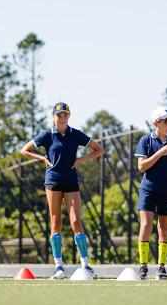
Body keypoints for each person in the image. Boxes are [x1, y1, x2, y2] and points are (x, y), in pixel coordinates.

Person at [20, 102, 105, 279]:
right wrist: (42, 158)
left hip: (71, 181)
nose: (62, 117)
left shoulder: (75, 134)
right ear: (53, 116)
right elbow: (24, 151)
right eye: (59, 115)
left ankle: (85, 265)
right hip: (52, 181)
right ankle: (58, 266)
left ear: (69, 116)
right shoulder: (47, 135)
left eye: (65, 114)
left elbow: (99, 150)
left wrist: (80, 160)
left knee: (75, 221)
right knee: (55, 221)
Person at [134, 107, 167, 280]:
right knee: (146, 225)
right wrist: (160, 152)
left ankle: (161, 267)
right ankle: (143, 266)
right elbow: (141, 166)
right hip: (148, 189)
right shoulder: (145, 141)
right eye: (165, 121)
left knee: (164, 228)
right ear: (156, 123)